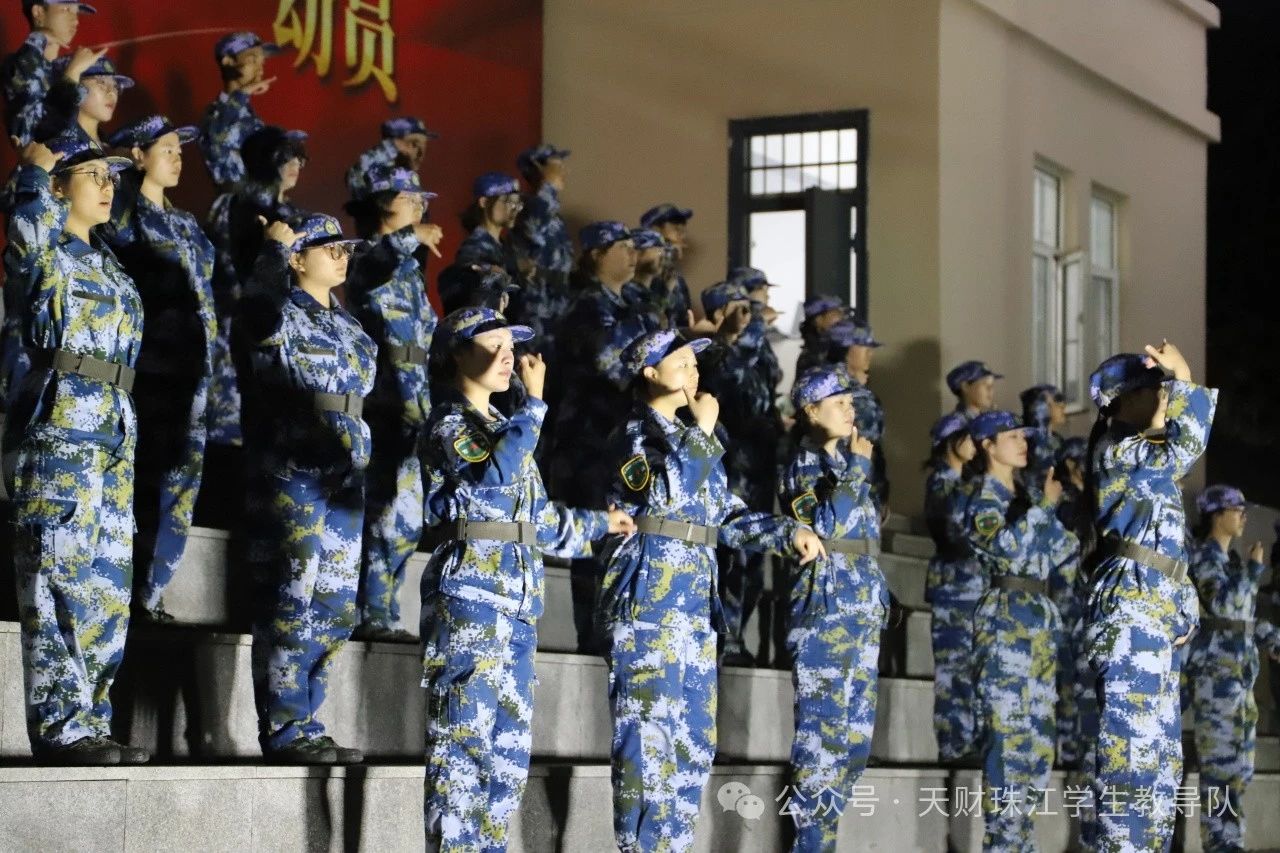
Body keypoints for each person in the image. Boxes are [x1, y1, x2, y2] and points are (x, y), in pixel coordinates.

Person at [599, 329, 824, 853]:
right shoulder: (634, 436)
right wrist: (702, 431)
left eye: (695, 364)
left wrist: (786, 533)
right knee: (647, 752)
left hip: (694, 614)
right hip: (648, 611)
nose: (693, 372)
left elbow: (725, 515)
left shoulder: (693, 440)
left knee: (691, 751)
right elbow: (663, 496)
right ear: (649, 373)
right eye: (681, 362)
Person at [419, 305, 634, 851]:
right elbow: (493, 478)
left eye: (509, 346)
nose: (505, 356)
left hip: (516, 607)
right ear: (456, 354)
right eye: (490, 344)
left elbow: (533, 521)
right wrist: (534, 405)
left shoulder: (505, 428)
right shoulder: (450, 424)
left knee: (506, 765)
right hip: (470, 601)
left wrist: (598, 524)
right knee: (462, 755)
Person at [4, 132, 148, 765]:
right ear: (59, 187)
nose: (108, 186)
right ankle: (61, 727)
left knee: (107, 585)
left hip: (113, 430)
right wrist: (34, 175)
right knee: (58, 575)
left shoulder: (110, 264)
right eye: (94, 175)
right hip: (62, 425)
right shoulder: (43, 250)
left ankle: (92, 720)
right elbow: (25, 236)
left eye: (112, 177)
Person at [233, 214, 375, 765]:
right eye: (328, 248)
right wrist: (272, 251)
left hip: (345, 478)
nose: (342, 256)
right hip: (294, 471)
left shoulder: (351, 327)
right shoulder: (277, 310)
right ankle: (286, 725)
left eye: (346, 249)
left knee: (335, 606)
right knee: (290, 599)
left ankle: (310, 721)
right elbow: (256, 315)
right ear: (297, 259)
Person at [1078, 343, 1216, 850]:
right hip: (1130, 615)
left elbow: (1165, 546)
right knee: (1132, 762)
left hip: (1152, 615)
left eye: (1163, 387)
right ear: (1123, 400)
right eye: (1152, 388)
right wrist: (1186, 379)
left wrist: (1184, 603)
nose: (1162, 394)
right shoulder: (1118, 451)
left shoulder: (1147, 461)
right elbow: (1184, 447)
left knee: (1161, 767)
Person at [102, 116, 216, 623]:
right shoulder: (123, 214)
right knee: (144, 480)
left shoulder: (188, 224)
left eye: (180, 151)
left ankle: (151, 592)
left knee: (182, 486)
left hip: (193, 372)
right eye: (166, 149)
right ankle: (127, 589)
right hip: (150, 369)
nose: (177, 157)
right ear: (138, 154)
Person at [778, 365, 886, 852]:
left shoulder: (846, 461)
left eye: (851, 401)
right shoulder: (801, 465)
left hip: (859, 612)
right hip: (825, 614)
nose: (850, 410)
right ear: (811, 411)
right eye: (838, 402)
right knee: (821, 745)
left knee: (852, 748)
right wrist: (859, 470)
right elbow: (822, 525)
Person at [964, 410, 1075, 852]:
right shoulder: (983, 500)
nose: (1022, 442)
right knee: (1008, 749)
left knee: (1037, 754)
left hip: (1039, 626)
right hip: (1005, 624)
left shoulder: (1027, 496)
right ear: (987, 445)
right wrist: (1043, 508)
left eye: (1024, 436)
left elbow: (1064, 549)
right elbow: (1003, 549)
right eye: (1011, 436)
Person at [343, 165, 443, 641]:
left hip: (414, 406)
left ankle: (382, 611)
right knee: (387, 515)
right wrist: (409, 237)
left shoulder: (410, 270)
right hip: (384, 404)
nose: (421, 207)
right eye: (411, 198)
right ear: (384, 203)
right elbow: (373, 265)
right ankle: (373, 614)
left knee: (405, 519)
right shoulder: (366, 256)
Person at [550, 221, 658, 652]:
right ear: (597, 255)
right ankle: (593, 639)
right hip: (588, 445)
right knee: (595, 542)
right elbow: (613, 366)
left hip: (621, 443)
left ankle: (614, 634)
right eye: (622, 247)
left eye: (634, 247)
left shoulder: (632, 306)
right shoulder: (587, 308)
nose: (633, 255)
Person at [1184, 485, 1280, 852]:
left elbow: (1246, 619)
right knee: (1219, 769)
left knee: (1238, 770)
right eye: (1236, 510)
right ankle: (1219, 843)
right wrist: (1254, 571)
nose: (1243, 516)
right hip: (1217, 682)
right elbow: (1224, 606)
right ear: (1216, 514)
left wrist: (1273, 639)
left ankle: (1230, 841)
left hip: (1239, 681)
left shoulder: (1232, 563)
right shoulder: (1203, 559)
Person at [204, 124, 308, 447]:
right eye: (285, 157)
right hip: (238, 337)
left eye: (299, 157)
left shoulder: (292, 215)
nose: (295, 164)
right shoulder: (237, 207)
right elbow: (232, 272)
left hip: (286, 340)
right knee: (234, 443)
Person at [698, 279, 782, 664]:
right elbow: (727, 383)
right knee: (732, 556)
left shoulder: (755, 356)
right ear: (719, 314)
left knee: (755, 560)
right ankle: (725, 637)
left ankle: (737, 636)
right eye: (740, 309)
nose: (749, 317)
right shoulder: (711, 354)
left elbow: (766, 393)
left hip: (758, 468)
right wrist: (753, 328)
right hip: (729, 471)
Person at [921, 411, 983, 764]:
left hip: (973, 588)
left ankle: (968, 739)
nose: (975, 445)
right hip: (953, 588)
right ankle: (954, 744)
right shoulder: (942, 483)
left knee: (970, 669)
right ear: (950, 442)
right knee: (953, 669)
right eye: (968, 438)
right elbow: (953, 534)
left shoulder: (967, 483)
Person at [1, 0, 98, 147]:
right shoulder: (19, 65)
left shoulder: (63, 68)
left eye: (76, 12)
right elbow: (31, 139)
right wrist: (71, 76)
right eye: (66, 9)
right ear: (38, 12)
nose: (76, 20)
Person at [510, 143, 573, 356]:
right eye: (557, 166)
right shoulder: (529, 208)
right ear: (538, 168)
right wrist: (548, 185)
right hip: (537, 308)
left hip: (557, 306)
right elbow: (534, 226)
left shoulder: (553, 214)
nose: (564, 172)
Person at [198, 31, 280, 190]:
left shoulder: (252, 117)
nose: (260, 69)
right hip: (237, 201)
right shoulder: (214, 115)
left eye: (262, 62)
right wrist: (241, 94)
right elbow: (216, 148)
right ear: (228, 61)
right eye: (252, 60)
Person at [36, 51, 128, 144]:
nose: (112, 93)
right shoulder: (53, 142)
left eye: (115, 86)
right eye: (101, 83)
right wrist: (72, 73)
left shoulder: (114, 147)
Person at [345, 116, 436, 201]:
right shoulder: (374, 173)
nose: (420, 153)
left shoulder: (404, 175)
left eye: (423, 145)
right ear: (391, 144)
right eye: (414, 143)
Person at [453, 171, 522, 275]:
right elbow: (467, 267)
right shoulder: (474, 246)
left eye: (517, 203)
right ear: (484, 202)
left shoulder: (505, 246)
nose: (515, 209)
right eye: (507, 201)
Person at [638, 202, 693, 328]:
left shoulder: (675, 276)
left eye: (683, 230)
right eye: (676, 229)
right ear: (655, 231)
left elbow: (683, 317)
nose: (682, 236)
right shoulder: (644, 271)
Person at [1019, 383, 1067, 493]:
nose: (1063, 409)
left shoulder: (1056, 439)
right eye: (1058, 405)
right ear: (1042, 407)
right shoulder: (1031, 444)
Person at [622, 228, 670, 327]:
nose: (663, 256)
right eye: (657, 250)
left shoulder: (655, 290)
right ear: (637, 254)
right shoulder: (625, 293)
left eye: (663, 250)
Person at [794, 295, 846, 375]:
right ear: (818, 320)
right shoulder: (812, 356)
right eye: (834, 314)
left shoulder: (835, 344)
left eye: (840, 313)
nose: (840, 318)